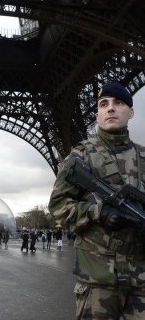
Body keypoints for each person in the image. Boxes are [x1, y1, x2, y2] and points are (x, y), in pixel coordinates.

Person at [49, 82, 145, 319]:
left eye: (119, 103)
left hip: (141, 279)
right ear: (97, 115)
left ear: (131, 112)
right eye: (104, 104)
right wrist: (98, 212)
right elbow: (58, 207)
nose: (110, 108)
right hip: (97, 278)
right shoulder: (80, 155)